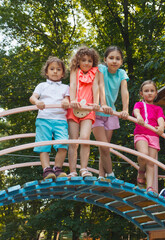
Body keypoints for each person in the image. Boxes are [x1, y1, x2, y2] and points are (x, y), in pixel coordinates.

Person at [29, 56, 70, 180]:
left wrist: (66, 100)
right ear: (46, 72)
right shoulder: (42, 85)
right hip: (44, 119)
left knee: (63, 144)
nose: (55, 71)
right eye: (52, 69)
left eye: (58, 69)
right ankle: (47, 170)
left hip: (60, 120)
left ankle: (57, 168)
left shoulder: (65, 87)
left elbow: (68, 99)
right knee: (44, 145)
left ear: (63, 73)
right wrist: (37, 101)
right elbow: (32, 97)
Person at [92, 46, 130, 180]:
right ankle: (111, 175)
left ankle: (101, 176)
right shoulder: (101, 69)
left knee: (105, 148)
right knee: (104, 146)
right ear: (105, 59)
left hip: (111, 113)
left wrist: (125, 109)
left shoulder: (121, 73)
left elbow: (124, 91)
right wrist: (103, 104)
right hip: (98, 112)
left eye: (118, 58)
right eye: (111, 58)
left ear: (121, 61)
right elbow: (100, 85)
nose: (114, 61)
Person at [67, 46, 102, 178]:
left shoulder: (95, 72)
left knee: (85, 138)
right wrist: (73, 100)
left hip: (88, 109)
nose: (87, 63)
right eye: (84, 60)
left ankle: (83, 168)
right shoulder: (75, 70)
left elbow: (96, 87)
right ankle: (72, 170)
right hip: (74, 108)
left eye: (90, 61)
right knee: (73, 140)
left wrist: (96, 103)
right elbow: (73, 85)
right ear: (78, 61)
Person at [133, 80, 165, 195]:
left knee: (151, 163)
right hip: (141, 133)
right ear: (141, 93)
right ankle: (141, 170)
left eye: (152, 91)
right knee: (144, 154)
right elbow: (135, 111)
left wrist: (161, 126)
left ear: (156, 93)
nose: (149, 93)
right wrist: (139, 116)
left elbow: (161, 119)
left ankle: (150, 187)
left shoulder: (158, 109)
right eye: (146, 91)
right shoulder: (139, 104)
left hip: (153, 136)